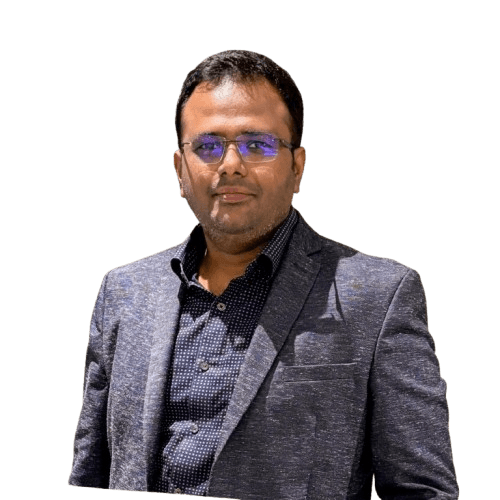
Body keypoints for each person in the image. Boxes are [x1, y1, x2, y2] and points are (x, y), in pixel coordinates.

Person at [68, 49, 459, 499]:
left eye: (258, 145)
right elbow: (89, 475)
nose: (231, 164)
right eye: (208, 146)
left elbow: (422, 490)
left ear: (297, 167)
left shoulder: (378, 297)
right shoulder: (123, 292)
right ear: (179, 169)